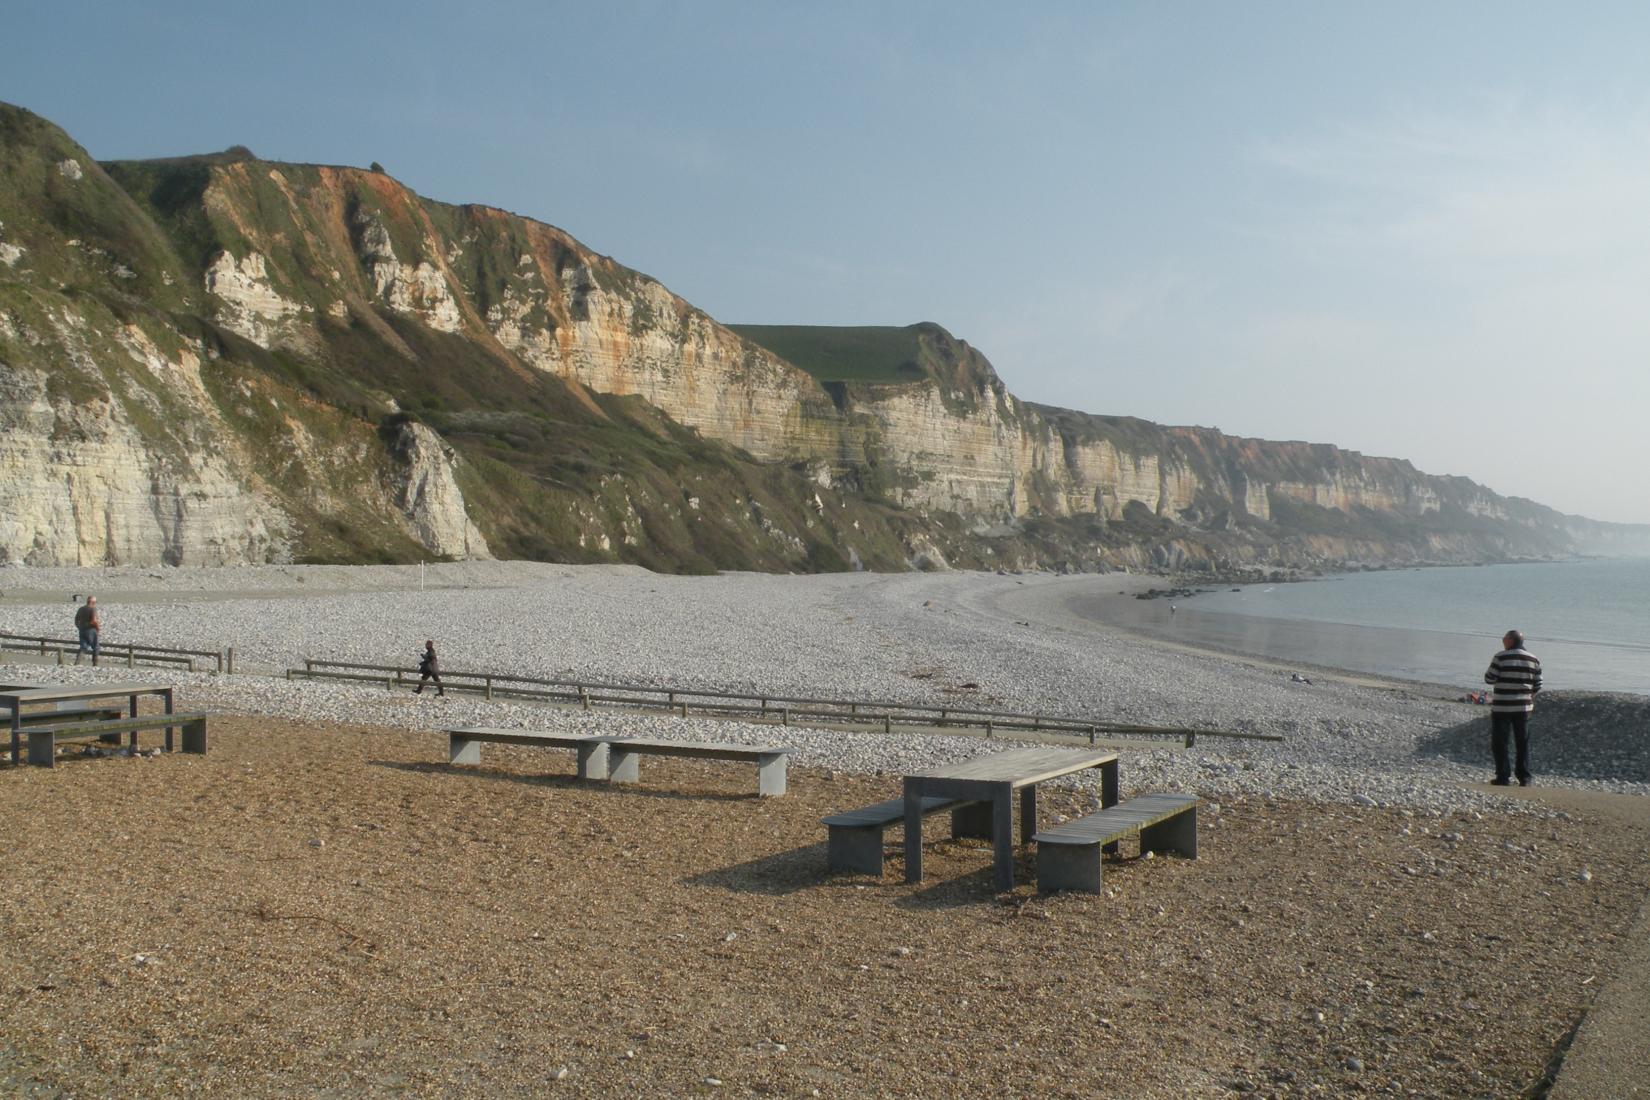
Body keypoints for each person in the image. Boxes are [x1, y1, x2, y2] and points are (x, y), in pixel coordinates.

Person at [1484, 629, 1542, 786]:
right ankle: (1525, 777)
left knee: (1500, 742)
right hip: (1523, 707)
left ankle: (1503, 777)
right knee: (1522, 742)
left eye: (1504, 638)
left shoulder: (1501, 657)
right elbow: (1538, 684)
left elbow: (1489, 678)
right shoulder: (1533, 659)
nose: (1502, 640)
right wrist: (1528, 695)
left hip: (1502, 706)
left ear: (1510, 640)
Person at [73, 596, 101, 666]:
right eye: (95, 602)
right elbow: (94, 620)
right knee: (96, 646)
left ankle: (77, 662)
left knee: (83, 647)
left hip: (82, 630)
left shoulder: (81, 609)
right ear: (93, 602)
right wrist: (98, 628)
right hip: (91, 630)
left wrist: (79, 627)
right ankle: (95, 664)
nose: (95, 604)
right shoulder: (93, 609)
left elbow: (76, 619)